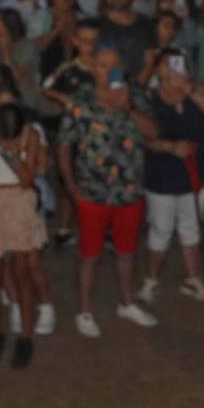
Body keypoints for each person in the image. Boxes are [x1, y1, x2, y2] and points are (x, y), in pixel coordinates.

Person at [58, 51, 155, 342]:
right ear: (93, 68)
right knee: (89, 254)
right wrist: (70, 185)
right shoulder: (80, 100)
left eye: (114, 66)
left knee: (127, 251)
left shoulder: (136, 95)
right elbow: (64, 144)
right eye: (102, 66)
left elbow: (152, 132)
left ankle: (127, 302)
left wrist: (129, 108)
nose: (108, 71)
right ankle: (85, 310)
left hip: (128, 189)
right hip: (92, 190)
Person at [0, 99, 47, 368]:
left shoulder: (32, 135)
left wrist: (10, 154)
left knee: (22, 274)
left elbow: (27, 180)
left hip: (19, 200)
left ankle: (26, 336)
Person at [137, 60, 204, 306]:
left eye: (175, 76)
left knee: (191, 225)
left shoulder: (197, 93)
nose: (170, 83)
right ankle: (151, 279)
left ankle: (193, 277)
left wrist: (189, 90)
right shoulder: (149, 101)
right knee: (161, 228)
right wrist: (170, 147)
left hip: (196, 171)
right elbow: (141, 136)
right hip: (163, 172)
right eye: (164, 78)